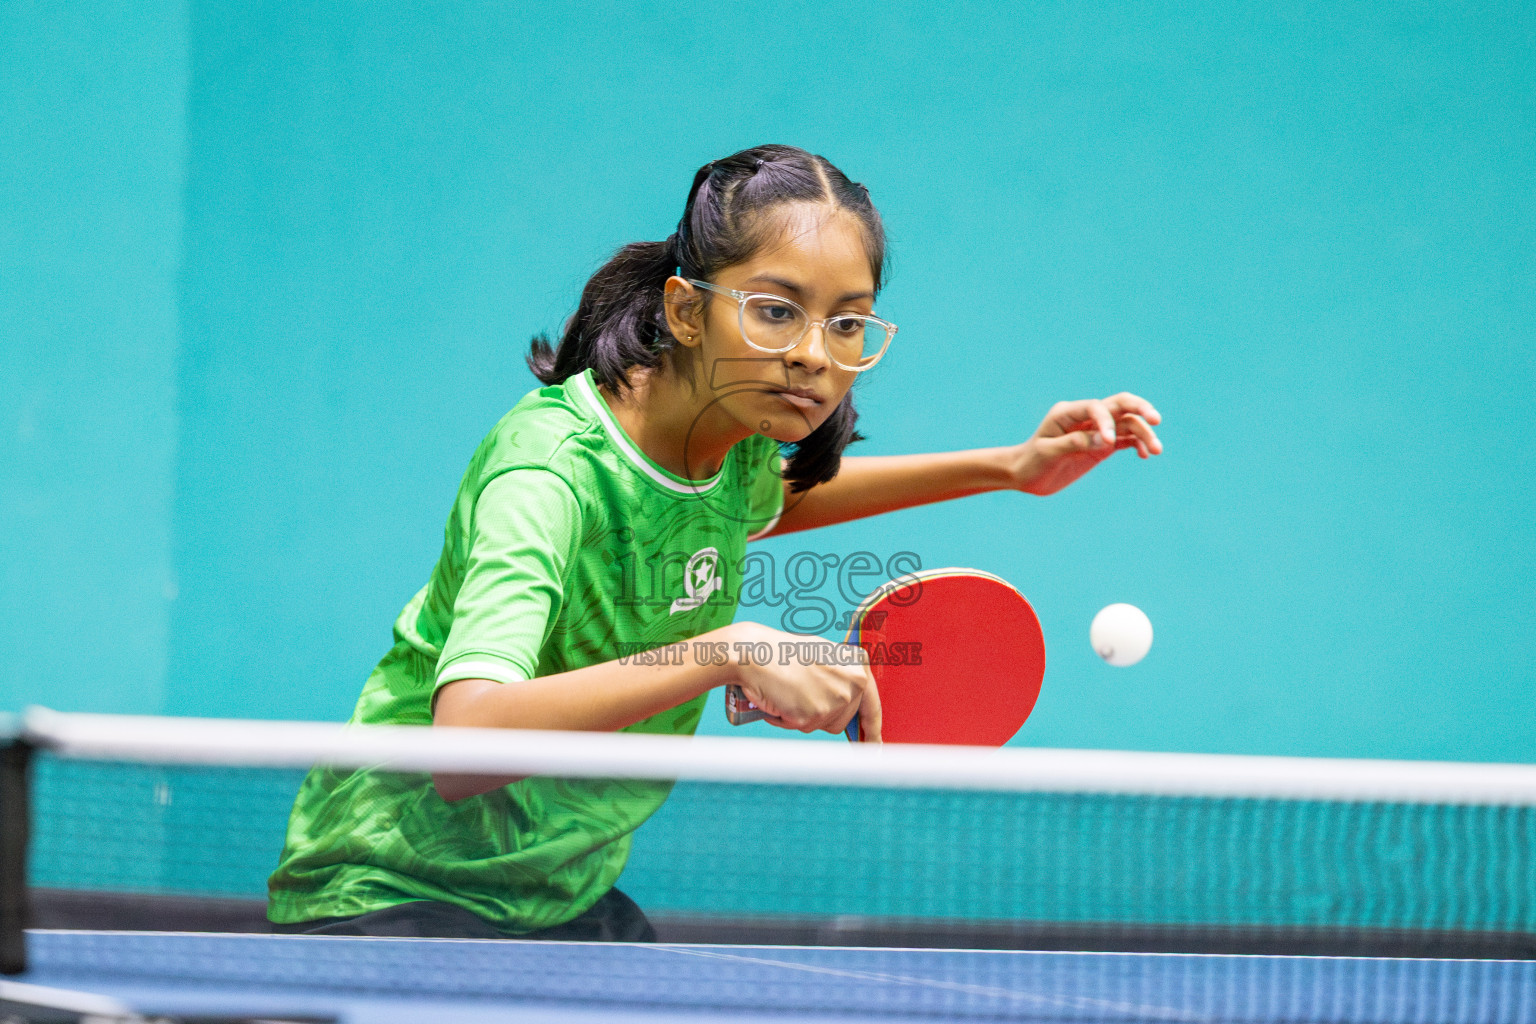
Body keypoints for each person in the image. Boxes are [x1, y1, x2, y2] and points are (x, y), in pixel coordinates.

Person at [267, 144, 1163, 940]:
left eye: (847, 323)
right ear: (687, 312)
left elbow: (770, 502)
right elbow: (463, 744)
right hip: (390, 898)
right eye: (777, 311)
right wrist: (727, 650)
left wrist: (1012, 466)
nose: (816, 354)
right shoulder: (547, 473)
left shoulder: (725, 450)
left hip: (556, 894)